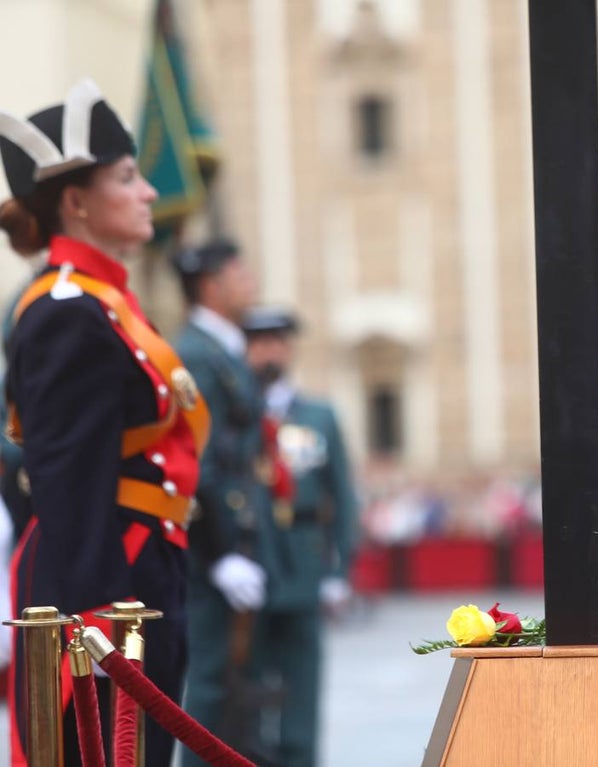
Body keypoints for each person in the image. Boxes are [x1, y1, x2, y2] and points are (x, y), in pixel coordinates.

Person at [0, 79, 208, 766]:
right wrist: (105, 625)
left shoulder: (104, 299)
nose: (149, 191)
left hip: (144, 564)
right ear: (77, 202)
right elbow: (64, 486)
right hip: (101, 584)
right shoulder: (66, 309)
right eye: (128, 176)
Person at [171, 239, 280, 765]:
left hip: (240, 540)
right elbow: (202, 460)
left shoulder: (222, 349)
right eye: (240, 273)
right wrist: (220, 553)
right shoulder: (196, 353)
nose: (251, 281)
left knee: (241, 690)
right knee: (212, 687)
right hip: (214, 550)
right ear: (210, 285)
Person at [242, 306, 359, 766]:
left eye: (276, 341)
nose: (269, 351)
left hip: (304, 564)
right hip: (251, 564)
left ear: (288, 349)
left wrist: (339, 570)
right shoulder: (238, 413)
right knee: (248, 686)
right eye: (258, 342)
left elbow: (342, 498)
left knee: (302, 684)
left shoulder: (317, 416)